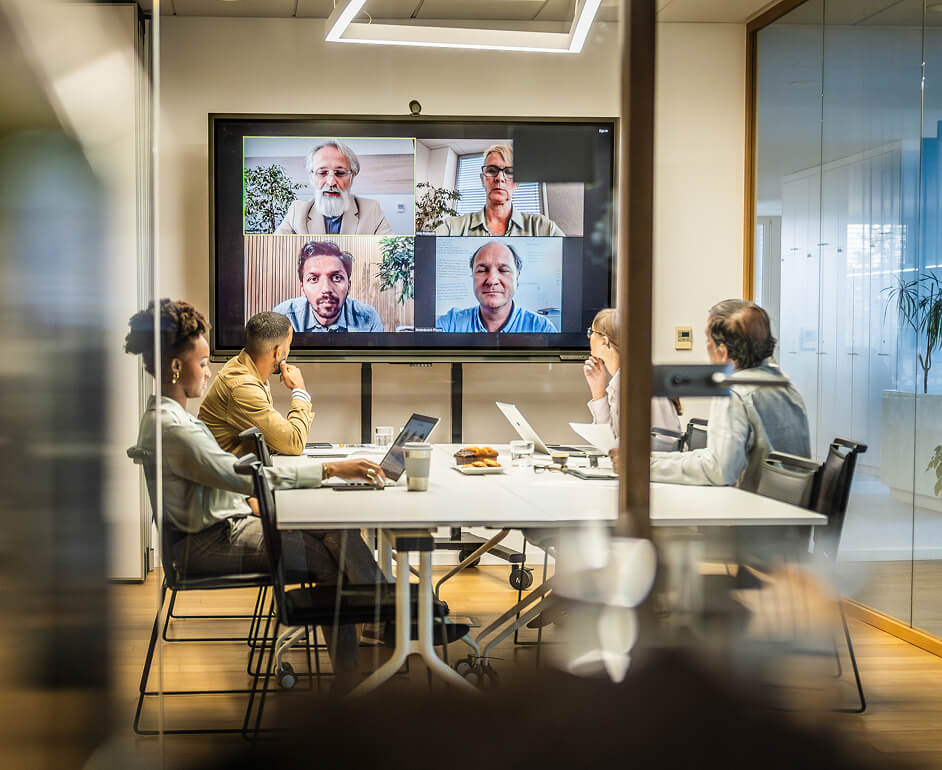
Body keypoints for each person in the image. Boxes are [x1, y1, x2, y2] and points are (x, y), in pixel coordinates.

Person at [125, 299, 387, 688]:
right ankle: (359, 671)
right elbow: (253, 478)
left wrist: (250, 498)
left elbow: (229, 479)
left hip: (217, 526)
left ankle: (383, 621)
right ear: (176, 367)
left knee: (335, 529)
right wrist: (332, 468)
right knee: (331, 551)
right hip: (207, 543)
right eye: (201, 363)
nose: (209, 371)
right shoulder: (176, 429)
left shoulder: (167, 419)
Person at [650, 299, 811, 491]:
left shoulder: (733, 392)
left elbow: (719, 470)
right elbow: (716, 458)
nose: (707, 348)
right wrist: (649, 461)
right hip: (788, 511)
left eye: (708, 341)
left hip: (752, 513)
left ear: (723, 352)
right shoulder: (785, 384)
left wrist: (646, 468)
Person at [199, 311, 313, 456]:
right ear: (278, 353)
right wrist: (299, 390)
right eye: (289, 345)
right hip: (224, 475)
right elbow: (294, 443)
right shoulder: (242, 386)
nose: (289, 350)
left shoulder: (246, 369)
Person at [583, 308, 681, 437]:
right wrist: (598, 392)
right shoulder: (624, 379)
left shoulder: (635, 384)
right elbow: (609, 438)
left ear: (604, 341)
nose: (588, 336)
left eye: (591, 332)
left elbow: (663, 445)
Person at [434, 144, 564, 237]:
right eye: (491, 170)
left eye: (509, 172)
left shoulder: (543, 228)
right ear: (483, 179)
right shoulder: (452, 228)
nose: (499, 178)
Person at [275, 139, 393, 235]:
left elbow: (391, 254)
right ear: (312, 177)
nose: (331, 182)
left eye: (340, 173)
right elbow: (275, 252)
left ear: (352, 176)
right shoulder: (297, 211)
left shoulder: (371, 210)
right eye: (322, 173)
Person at [435, 241, 557, 334]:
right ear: (472, 276)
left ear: (517, 278)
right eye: (482, 270)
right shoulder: (451, 323)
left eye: (503, 270)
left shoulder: (542, 328)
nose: (492, 280)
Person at [273, 240, 384, 332]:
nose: (326, 289)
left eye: (336, 278)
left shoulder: (369, 319)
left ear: (348, 286)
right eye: (314, 279)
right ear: (303, 288)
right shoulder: (283, 317)